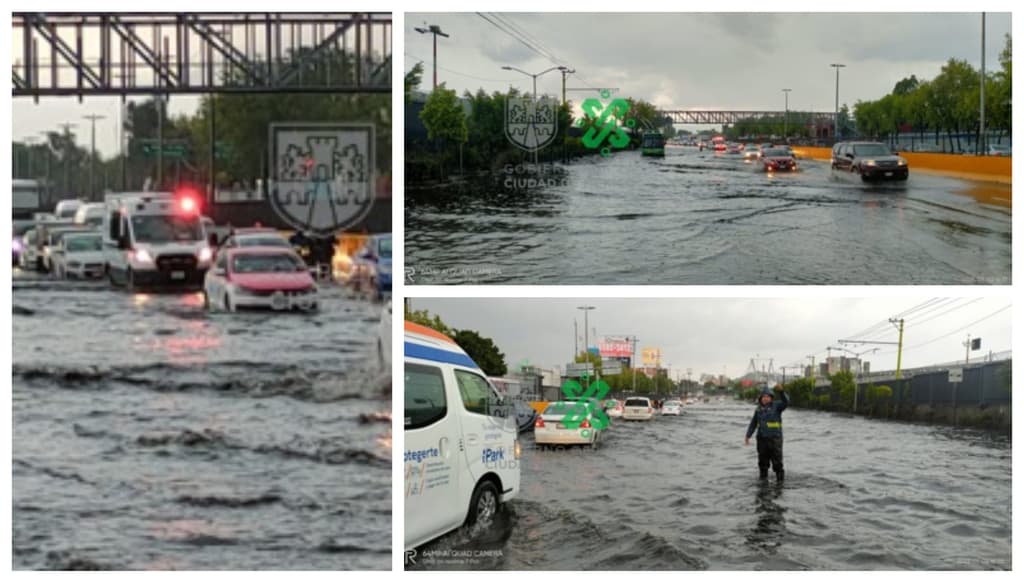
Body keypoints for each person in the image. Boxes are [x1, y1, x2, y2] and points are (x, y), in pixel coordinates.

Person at [744, 383, 789, 481]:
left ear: (771, 398)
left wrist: (781, 392)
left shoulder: (777, 406)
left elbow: (786, 402)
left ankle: (779, 484)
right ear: (760, 398)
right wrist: (748, 435)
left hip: (775, 439)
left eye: (768, 396)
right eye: (763, 396)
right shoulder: (758, 409)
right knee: (762, 463)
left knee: (777, 463)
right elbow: (753, 423)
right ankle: (763, 483)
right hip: (762, 440)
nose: (765, 398)